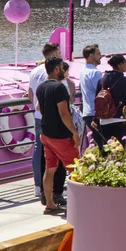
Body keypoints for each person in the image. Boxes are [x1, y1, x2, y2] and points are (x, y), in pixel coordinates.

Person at [35, 58, 80, 214]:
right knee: (76, 168)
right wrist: (74, 132)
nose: (63, 70)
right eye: (61, 68)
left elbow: (39, 108)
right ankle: (81, 205)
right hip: (60, 136)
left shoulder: (41, 88)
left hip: (46, 134)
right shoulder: (59, 88)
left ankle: (49, 204)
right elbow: (63, 112)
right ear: (56, 69)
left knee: (50, 169)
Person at [24, 41, 63, 200]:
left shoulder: (33, 72)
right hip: (53, 117)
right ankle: (55, 188)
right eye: (59, 53)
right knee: (56, 151)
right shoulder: (55, 72)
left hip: (38, 116)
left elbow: (30, 94)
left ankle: (38, 185)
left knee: (38, 150)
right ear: (53, 55)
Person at [95, 53, 126, 146]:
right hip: (120, 119)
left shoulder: (102, 80)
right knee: (120, 149)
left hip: (104, 119)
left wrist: (96, 119)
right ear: (120, 65)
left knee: (107, 149)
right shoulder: (125, 80)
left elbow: (96, 100)